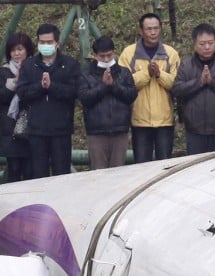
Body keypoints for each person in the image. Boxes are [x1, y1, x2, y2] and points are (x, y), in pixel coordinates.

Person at [17, 23, 81, 179]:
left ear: (57, 43)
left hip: (61, 129)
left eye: (49, 42)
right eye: (42, 42)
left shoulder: (70, 65)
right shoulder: (29, 65)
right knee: (39, 176)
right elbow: (22, 92)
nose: (45, 45)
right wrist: (40, 87)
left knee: (61, 175)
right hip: (36, 130)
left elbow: (74, 92)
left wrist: (52, 86)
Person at [118, 12, 180, 162]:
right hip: (140, 121)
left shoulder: (170, 53)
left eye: (156, 28)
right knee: (141, 165)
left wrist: (159, 75)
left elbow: (176, 84)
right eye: (149, 29)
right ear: (141, 31)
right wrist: (146, 74)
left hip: (164, 121)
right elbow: (123, 83)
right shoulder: (128, 53)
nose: (153, 32)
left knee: (165, 164)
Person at [172, 23, 215, 155]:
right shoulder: (186, 66)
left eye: (210, 43)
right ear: (195, 44)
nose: (207, 47)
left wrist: (213, 82)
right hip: (194, 130)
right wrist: (199, 82)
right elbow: (177, 90)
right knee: (197, 168)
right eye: (202, 43)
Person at [78, 35, 136, 170]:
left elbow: (131, 95)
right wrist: (103, 86)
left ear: (114, 53)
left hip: (120, 129)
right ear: (94, 55)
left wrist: (114, 85)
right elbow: (85, 98)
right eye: (102, 56)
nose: (106, 59)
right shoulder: (86, 74)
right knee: (99, 173)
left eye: (109, 56)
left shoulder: (124, 72)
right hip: (96, 131)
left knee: (117, 172)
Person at [0, 32, 35, 182]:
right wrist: (14, 84)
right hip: (10, 129)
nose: (16, 54)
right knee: (14, 172)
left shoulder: (36, 68)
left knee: (32, 173)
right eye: (13, 50)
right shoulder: (3, 71)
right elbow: (0, 95)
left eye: (20, 49)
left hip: (32, 128)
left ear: (27, 50)